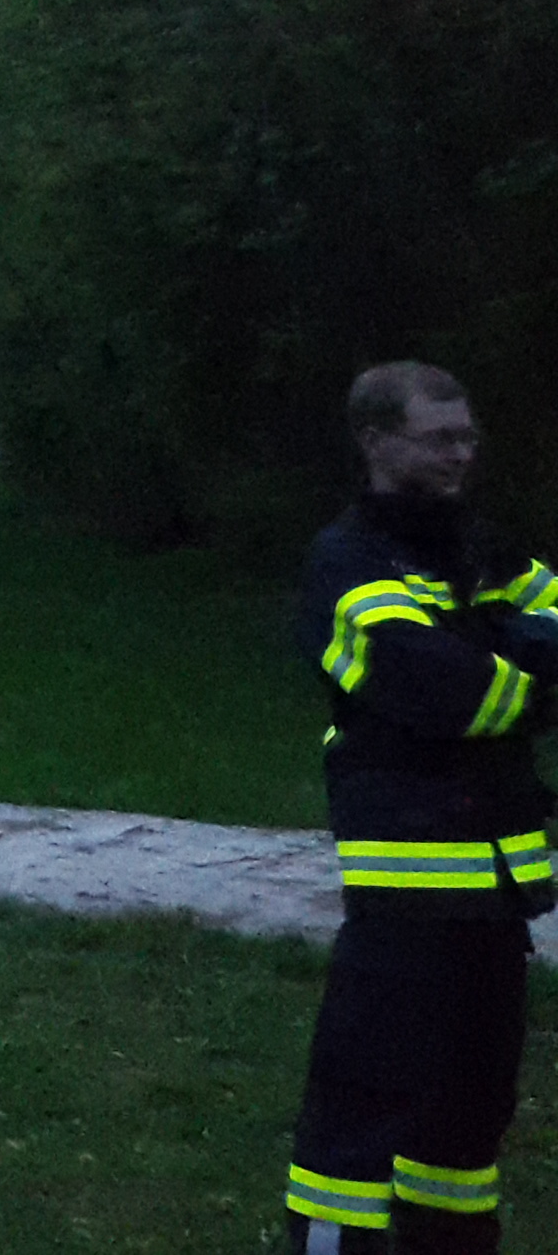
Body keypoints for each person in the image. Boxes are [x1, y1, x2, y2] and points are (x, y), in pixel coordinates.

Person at [283, 362, 558, 1254]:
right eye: (441, 437)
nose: (463, 453)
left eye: (468, 435)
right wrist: (512, 655)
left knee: (472, 1112)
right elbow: (444, 689)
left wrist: (492, 650)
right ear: (377, 441)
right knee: (361, 1111)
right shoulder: (348, 560)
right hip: (405, 896)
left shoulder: (478, 545)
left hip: (498, 895)